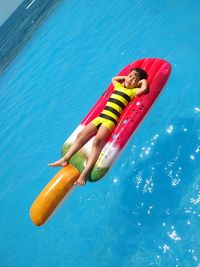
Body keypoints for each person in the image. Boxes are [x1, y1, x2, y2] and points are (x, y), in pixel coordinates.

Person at [48, 68, 148, 185]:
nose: (130, 79)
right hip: (100, 117)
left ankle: (84, 174)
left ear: (138, 83)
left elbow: (144, 88)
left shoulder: (133, 91)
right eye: (130, 76)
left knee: (97, 142)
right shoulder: (118, 86)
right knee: (81, 136)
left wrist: (141, 81)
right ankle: (64, 160)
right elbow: (114, 79)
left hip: (110, 120)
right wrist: (127, 78)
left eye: (134, 79)